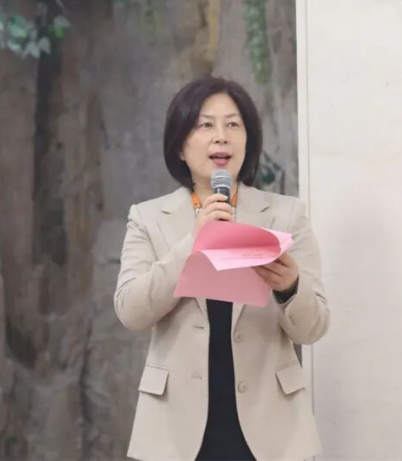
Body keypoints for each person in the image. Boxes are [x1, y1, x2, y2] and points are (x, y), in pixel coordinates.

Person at [114, 76, 330, 461]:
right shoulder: (149, 218)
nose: (221, 137)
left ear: (248, 141)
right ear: (180, 147)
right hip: (175, 431)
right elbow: (130, 310)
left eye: (233, 124)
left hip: (270, 429)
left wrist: (291, 287)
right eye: (205, 125)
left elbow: (313, 328)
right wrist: (191, 244)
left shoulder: (285, 214)